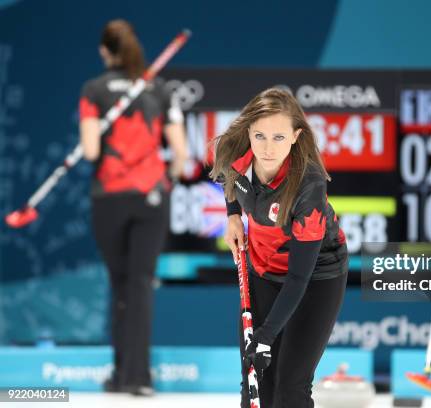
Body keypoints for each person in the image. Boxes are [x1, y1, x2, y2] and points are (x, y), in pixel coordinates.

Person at [210, 88, 348, 407]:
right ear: (248, 134)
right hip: (262, 269)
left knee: (290, 388)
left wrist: (267, 335)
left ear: (296, 136)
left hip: (316, 277)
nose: (267, 148)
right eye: (259, 136)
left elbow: (298, 278)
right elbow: (227, 182)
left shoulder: (308, 186)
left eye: (278, 138)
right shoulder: (234, 153)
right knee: (256, 383)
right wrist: (233, 217)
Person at [79, 19, 187, 396]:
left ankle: (121, 373)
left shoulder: (93, 90)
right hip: (151, 196)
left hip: (109, 197)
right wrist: (165, 180)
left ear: (104, 52)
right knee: (141, 284)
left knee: (120, 284)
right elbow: (182, 155)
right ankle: (136, 378)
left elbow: (91, 151)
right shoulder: (158, 88)